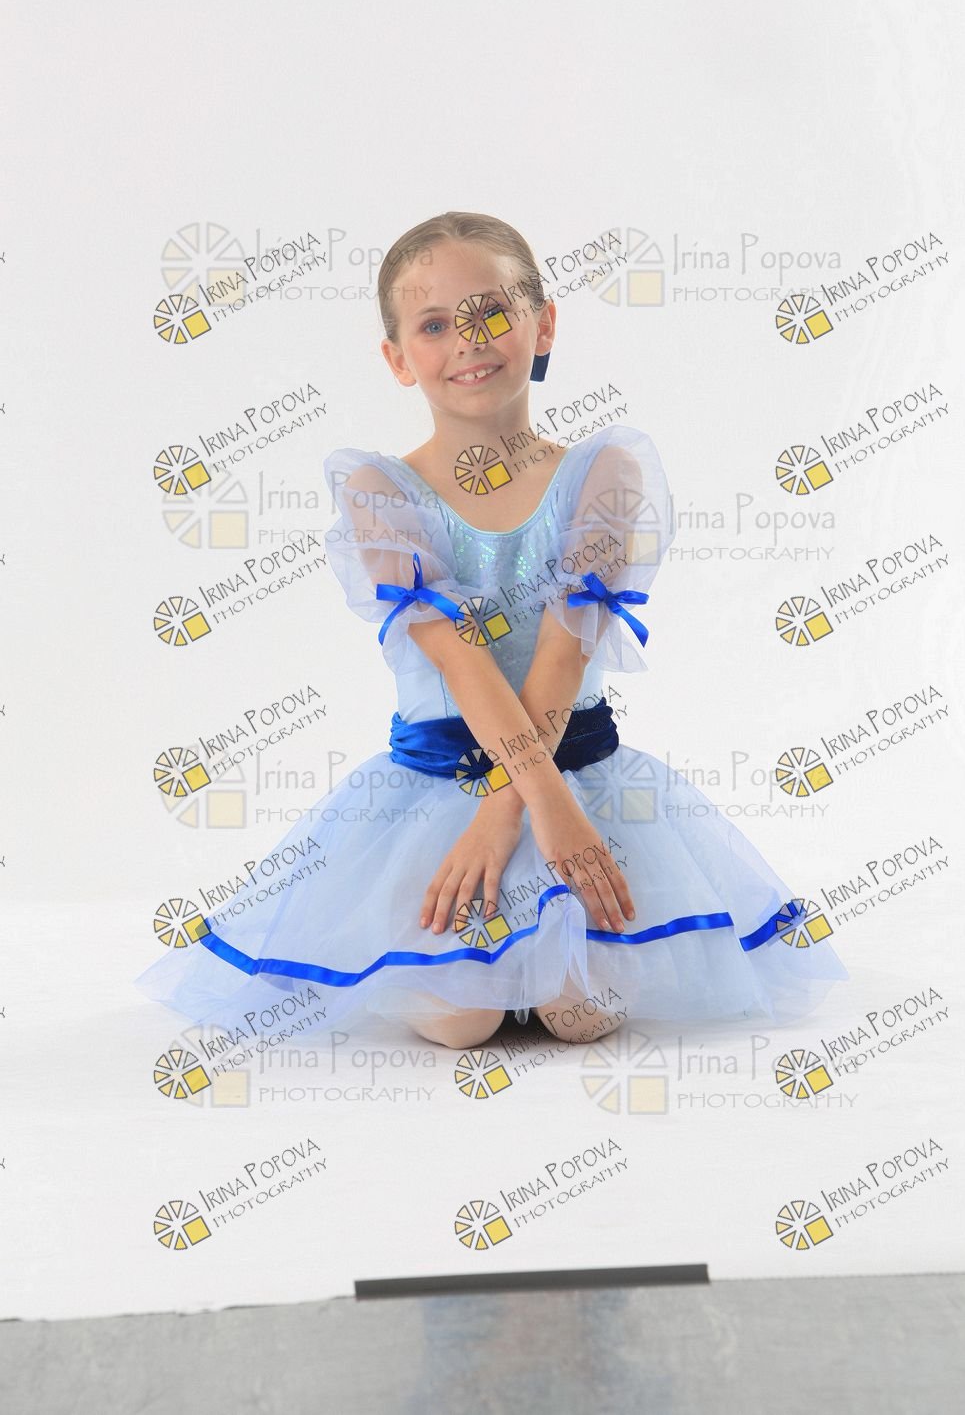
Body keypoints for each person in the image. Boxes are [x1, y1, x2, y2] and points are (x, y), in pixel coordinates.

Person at [135, 210, 848, 1052]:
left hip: (577, 787)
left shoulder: (603, 473)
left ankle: (537, 956)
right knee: (462, 1020)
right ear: (398, 358)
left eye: (491, 313)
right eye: (434, 325)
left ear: (543, 325)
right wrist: (507, 809)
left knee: (580, 1014)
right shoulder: (379, 491)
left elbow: (564, 648)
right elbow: (458, 653)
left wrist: (530, 808)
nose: (467, 342)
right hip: (436, 797)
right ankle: (473, 965)